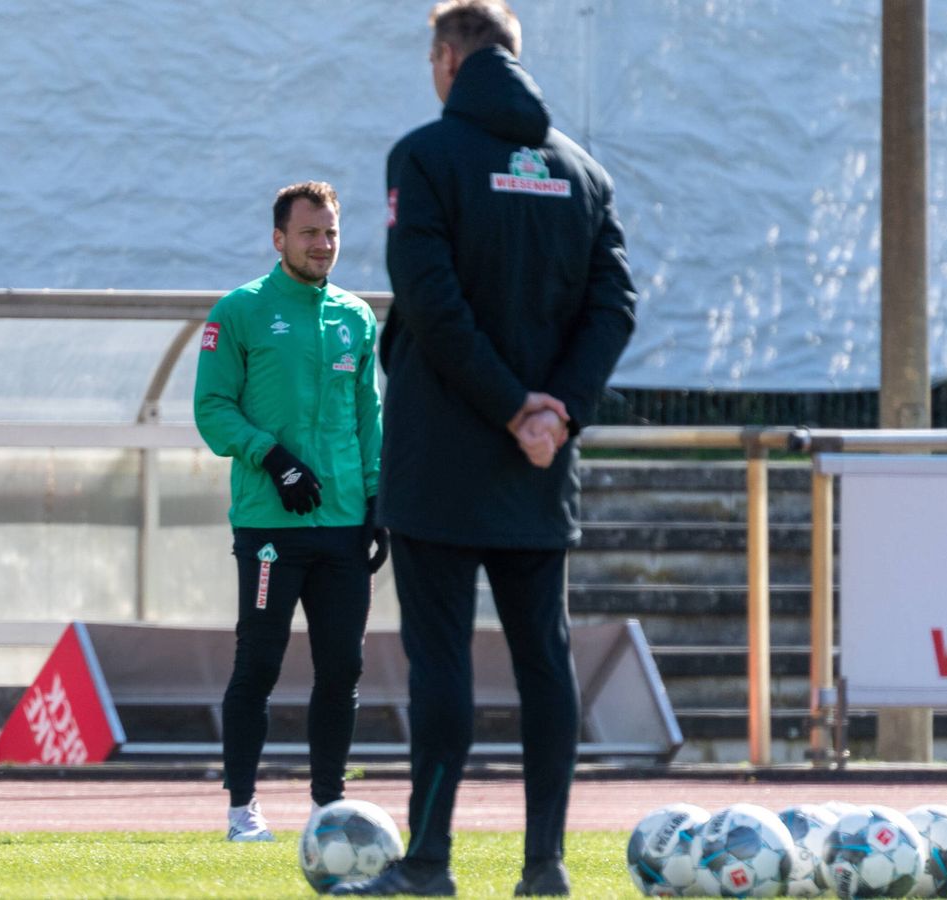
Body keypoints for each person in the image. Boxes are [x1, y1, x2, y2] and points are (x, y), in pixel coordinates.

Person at [332, 2, 636, 896]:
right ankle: (544, 866)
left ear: (446, 58)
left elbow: (428, 298)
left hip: (440, 457)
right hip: (539, 467)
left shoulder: (424, 157)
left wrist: (509, 408)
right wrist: (555, 417)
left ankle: (428, 861)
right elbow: (613, 307)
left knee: (442, 666)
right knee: (545, 660)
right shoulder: (582, 173)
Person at [194, 181, 387, 842]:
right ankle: (242, 809)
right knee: (260, 663)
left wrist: (378, 497)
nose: (322, 245)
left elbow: (368, 414)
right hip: (269, 527)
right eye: (309, 233)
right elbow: (212, 409)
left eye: (331, 233)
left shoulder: (356, 318)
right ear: (279, 238)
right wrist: (272, 457)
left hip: (342, 524)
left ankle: (328, 808)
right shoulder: (240, 312)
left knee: (344, 667)